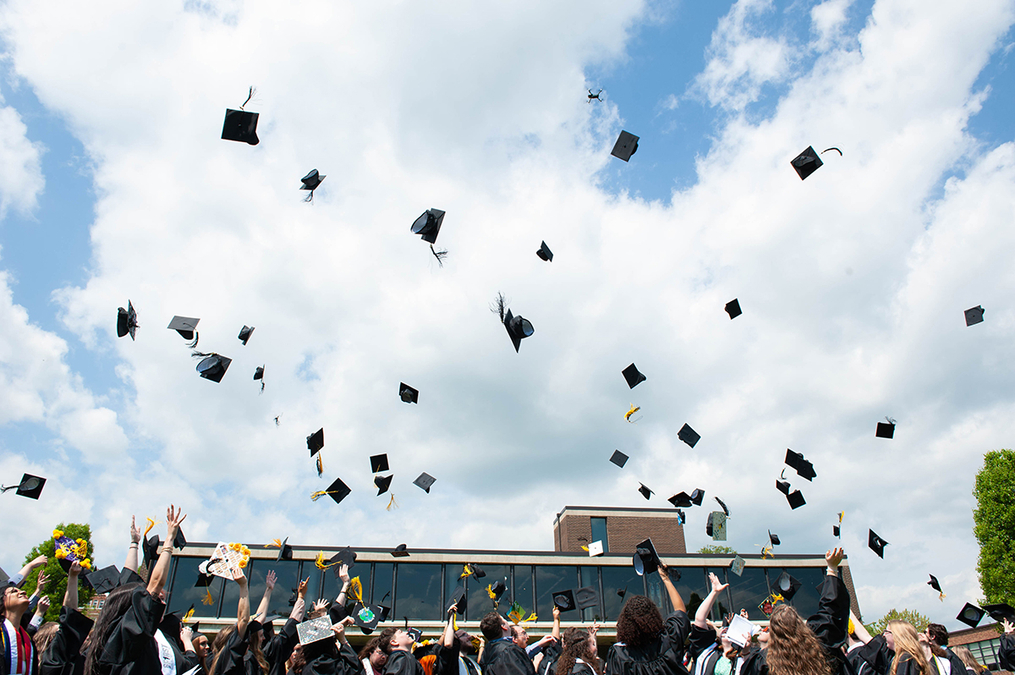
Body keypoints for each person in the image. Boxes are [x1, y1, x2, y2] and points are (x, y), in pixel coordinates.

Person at [83, 504, 187, 675]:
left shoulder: (111, 639)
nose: (162, 603)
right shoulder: (126, 638)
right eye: (157, 599)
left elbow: (127, 580)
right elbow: (154, 586)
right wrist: (169, 539)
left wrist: (134, 544)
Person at [740, 548, 850, 675]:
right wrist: (832, 568)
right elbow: (831, 609)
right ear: (799, 624)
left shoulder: (764, 662)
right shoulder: (820, 646)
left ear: (774, 633)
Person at [605, 559, 688, 675]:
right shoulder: (669, 638)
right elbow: (680, 611)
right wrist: (665, 578)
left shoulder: (620, 655)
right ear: (654, 617)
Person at [38, 560, 92, 675]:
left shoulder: (79, 662)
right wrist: (72, 578)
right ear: (51, 640)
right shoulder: (53, 665)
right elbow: (69, 617)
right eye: (59, 633)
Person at [207, 561, 254, 675]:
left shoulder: (213, 662)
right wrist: (243, 585)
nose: (246, 642)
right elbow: (243, 619)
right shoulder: (230, 659)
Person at [688, 573, 733, 675]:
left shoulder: (743, 658)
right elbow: (699, 619)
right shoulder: (707, 650)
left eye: (730, 629)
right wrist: (714, 592)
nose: (725, 629)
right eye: (723, 628)